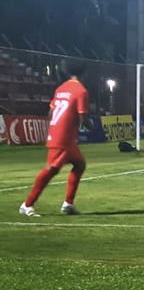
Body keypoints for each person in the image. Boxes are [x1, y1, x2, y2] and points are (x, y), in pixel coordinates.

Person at [20, 62, 96, 217]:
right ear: (84, 74)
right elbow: (83, 117)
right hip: (64, 137)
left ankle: (68, 204)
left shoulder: (61, 89)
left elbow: (50, 112)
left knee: (80, 164)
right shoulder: (81, 91)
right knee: (52, 169)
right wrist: (93, 129)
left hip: (60, 134)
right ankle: (27, 205)